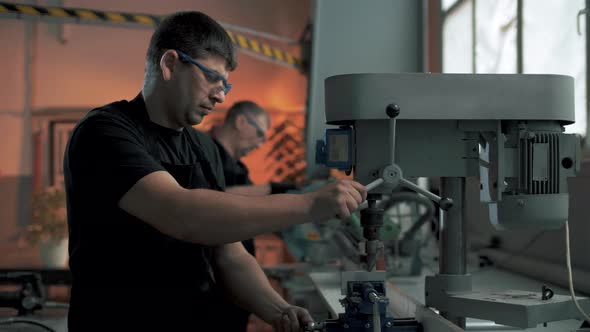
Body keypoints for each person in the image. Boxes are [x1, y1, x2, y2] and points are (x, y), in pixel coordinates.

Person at [63, 10, 367, 332]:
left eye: (226, 84)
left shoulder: (203, 148)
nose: (221, 95)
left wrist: (279, 310)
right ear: (170, 64)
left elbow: (230, 254)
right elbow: (179, 214)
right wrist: (308, 205)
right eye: (212, 77)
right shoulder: (106, 132)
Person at [208, 101, 297, 331]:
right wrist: (272, 189)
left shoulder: (239, 168)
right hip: (214, 283)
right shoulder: (204, 154)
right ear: (241, 121)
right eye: (260, 134)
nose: (260, 144)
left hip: (237, 285)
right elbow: (209, 199)